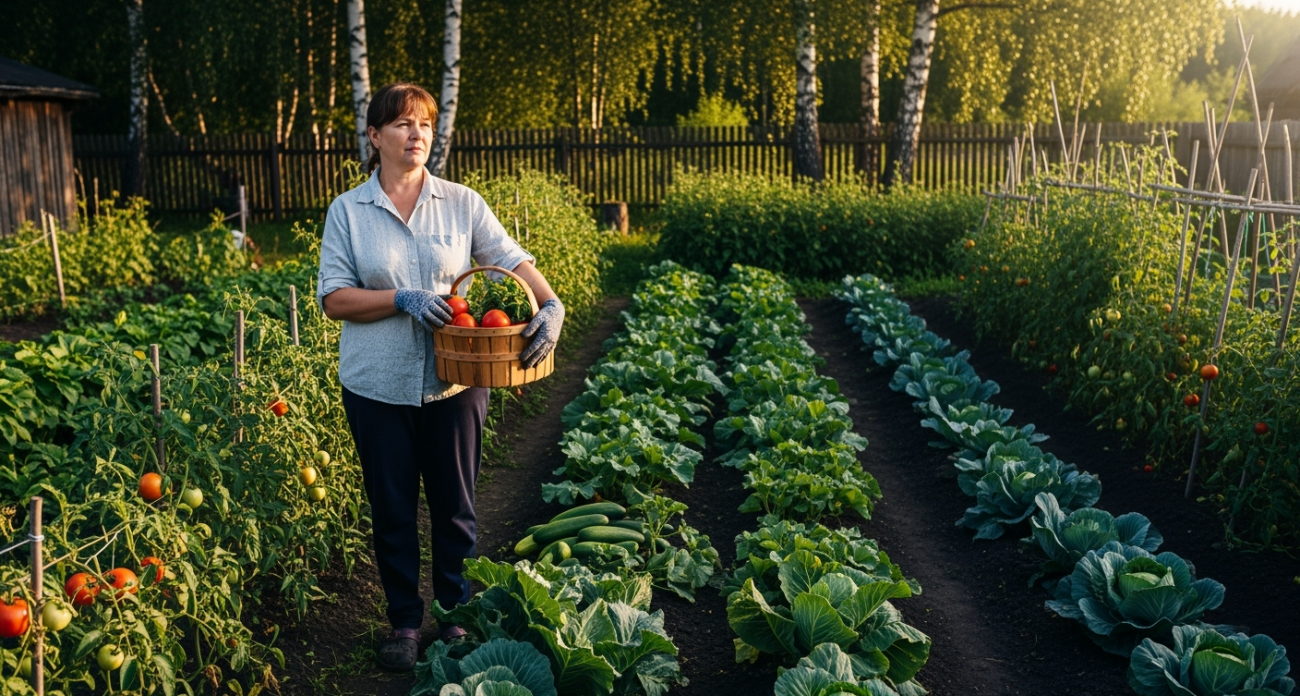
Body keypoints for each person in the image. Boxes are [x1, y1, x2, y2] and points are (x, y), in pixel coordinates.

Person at [316, 82, 564, 672]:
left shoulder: (462, 203)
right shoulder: (349, 211)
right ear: (374, 138)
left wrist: (550, 304)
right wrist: (399, 297)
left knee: (455, 505)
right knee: (393, 507)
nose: (416, 134)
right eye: (402, 125)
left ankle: (455, 614)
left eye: (425, 125)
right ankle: (404, 621)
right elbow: (334, 299)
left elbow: (512, 261)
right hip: (375, 385)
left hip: (455, 382)